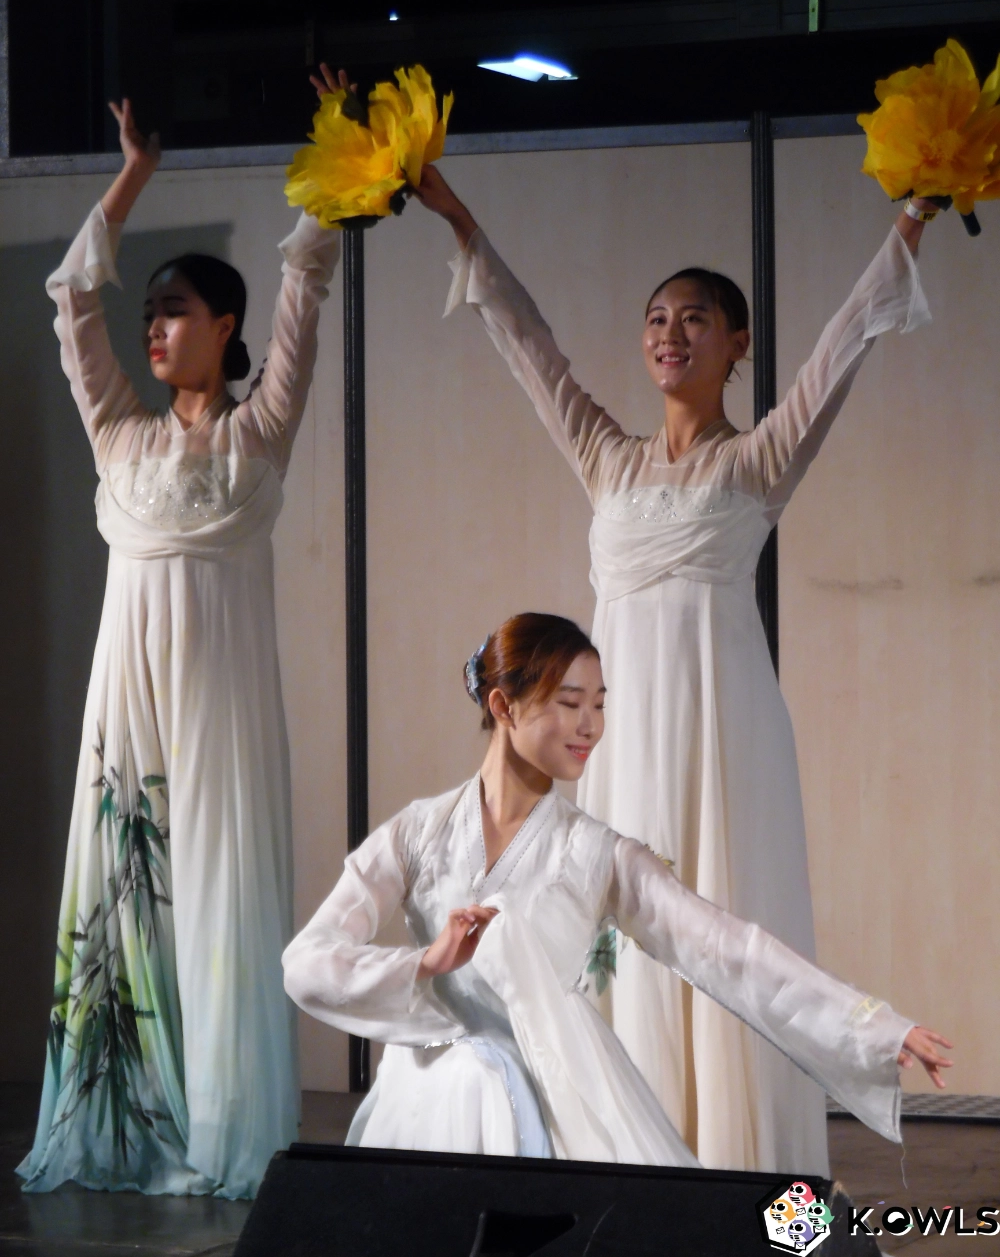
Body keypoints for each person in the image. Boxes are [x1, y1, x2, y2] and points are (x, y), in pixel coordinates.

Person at [413, 161, 938, 1173]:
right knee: (622, 923)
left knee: (723, 915)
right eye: (657, 318)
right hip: (617, 734)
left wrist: (914, 215)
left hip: (723, 731)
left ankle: (745, 1172)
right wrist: (461, 221)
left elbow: (842, 346)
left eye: (695, 319)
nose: (670, 333)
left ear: (736, 344)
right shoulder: (608, 458)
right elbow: (531, 350)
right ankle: (637, 1164)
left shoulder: (756, 460)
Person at [283, 612, 951, 1165]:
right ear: (503, 705)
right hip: (429, 1100)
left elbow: (728, 949)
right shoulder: (417, 832)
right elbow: (306, 961)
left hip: (550, 1102)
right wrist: (424, 965)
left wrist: (871, 1027)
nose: (591, 727)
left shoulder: (595, 853)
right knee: (466, 1083)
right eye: (570, 703)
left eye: (599, 705)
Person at [18, 96, 339, 1198]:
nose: (153, 328)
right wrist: (132, 177)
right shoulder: (119, 428)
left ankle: (220, 1115)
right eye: (149, 311)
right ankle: (128, 1116)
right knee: (130, 885)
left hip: (221, 698)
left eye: (174, 310)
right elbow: (71, 299)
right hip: (130, 693)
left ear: (224, 324)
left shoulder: (259, 428)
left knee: (215, 891)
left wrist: (330, 167)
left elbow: (306, 284)